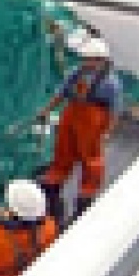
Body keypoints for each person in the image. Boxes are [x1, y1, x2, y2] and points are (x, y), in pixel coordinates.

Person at [36, 36, 122, 225]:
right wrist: (47, 110)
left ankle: (85, 197)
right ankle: (53, 185)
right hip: (72, 113)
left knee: (91, 159)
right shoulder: (77, 72)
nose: (86, 62)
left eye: (90, 59)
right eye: (85, 58)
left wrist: (107, 132)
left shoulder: (111, 83)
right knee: (63, 150)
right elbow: (63, 93)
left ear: (102, 60)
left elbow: (114, 111)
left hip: (93, 120)